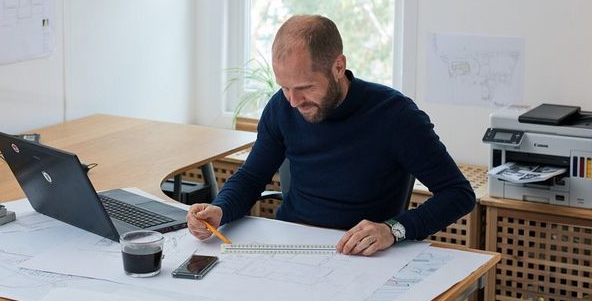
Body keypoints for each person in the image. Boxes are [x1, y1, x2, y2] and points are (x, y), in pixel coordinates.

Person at [187, 15, 475, 256]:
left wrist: (393, 230)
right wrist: (220, 209)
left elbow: (458, 194)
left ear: (338, 67)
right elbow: (251, 177)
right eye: (284, 87)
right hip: (290, 247)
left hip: (358, 255)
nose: (293, 101)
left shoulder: (395, 116)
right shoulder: (282, 107)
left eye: (304, 87)